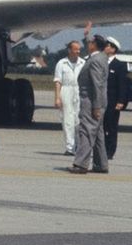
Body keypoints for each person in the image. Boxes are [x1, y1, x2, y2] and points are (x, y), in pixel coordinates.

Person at [70, 33, 110, 174]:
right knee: (97, 133)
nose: (88, 44)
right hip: (97, 101)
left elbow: (97, 85)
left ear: (94, 45)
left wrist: (96, 106)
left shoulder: (95, 61)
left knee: (86, 131)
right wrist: (87, 35)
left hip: (91, 100)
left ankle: (81, 164)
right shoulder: (101, 57)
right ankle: (101, 164)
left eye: (90, 42)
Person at [53, 38, 84, 156]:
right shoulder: (61, 63)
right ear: (69, 50)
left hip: (79, 90)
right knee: (67, 120)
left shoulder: (83, 63)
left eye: (79, 50)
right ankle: (69, 147)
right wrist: (57, 98)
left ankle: (79, 145)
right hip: (66, 90)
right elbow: (57, 81)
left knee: (78, 120)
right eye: (75, 49)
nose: (78, 52)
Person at [103, 37, 126, 159]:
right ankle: (102, 149)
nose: (105, 48)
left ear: (113, 48)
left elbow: (122, 85)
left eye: (107, 46)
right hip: (101, 100)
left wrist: (121, 101)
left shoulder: (119, 65)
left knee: (111, 127)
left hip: (113, 101)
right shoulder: (102, 62)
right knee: (102, 126)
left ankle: (110, 151)